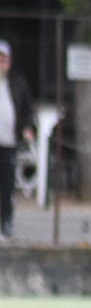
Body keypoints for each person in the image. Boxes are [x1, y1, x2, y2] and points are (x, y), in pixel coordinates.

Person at [0, 41, 34, 239]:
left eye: (3, 59)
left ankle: (6, 221)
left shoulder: (17, 83)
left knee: (7, 185)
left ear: (9, 62)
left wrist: (27, 128)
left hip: (9, 142)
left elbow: (27, 110)